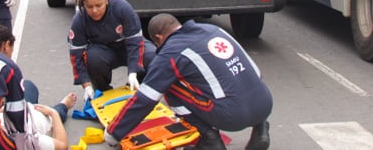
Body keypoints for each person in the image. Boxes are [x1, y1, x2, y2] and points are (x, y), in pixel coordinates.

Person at [104, 14, 272, 150]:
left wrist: (114, 133)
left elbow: (145, 99)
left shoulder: (171, 52)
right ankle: (261, 130)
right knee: (236, 77)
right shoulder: (212, 29)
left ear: (158, 37)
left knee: (168, 84)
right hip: (265, 102)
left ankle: (208, 138)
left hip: (232, 116)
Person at [67, 0, 156, 101]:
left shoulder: (122, 8)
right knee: (93, 58)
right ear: (84, 5)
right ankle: (102, 90)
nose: (95, 11)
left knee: (152, 56)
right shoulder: (79, 19)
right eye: (90, 7)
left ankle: (139, 85)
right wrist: (86, 85)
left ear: (106, 0)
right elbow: (76, 56)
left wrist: (133, 71)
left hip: (126, 46)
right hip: (103, 51)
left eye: (99, 5)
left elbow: (135, 42)